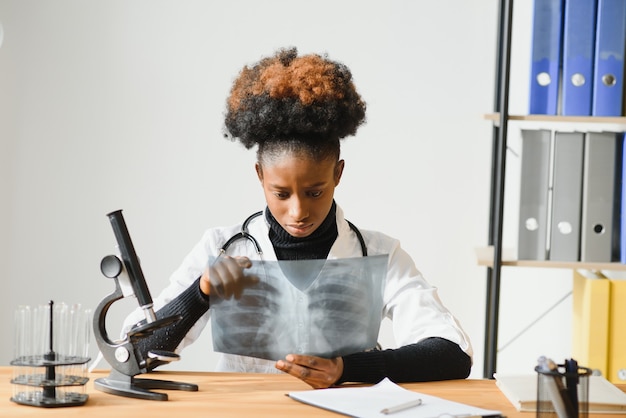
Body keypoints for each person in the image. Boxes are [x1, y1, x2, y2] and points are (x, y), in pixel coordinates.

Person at [124, 47, 473, 389]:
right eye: (281, 193)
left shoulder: (379, 253)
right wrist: (198, 294)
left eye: (315, 192)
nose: (298, 212)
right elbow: (133, 357)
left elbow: (452, 353)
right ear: (260, 176)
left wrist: (347, 368)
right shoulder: (220, 247)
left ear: (338, 174)